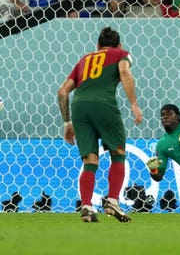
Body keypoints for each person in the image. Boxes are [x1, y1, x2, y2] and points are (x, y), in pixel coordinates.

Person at [57, 27, 143, 223]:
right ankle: (112, 200)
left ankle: (87, 206)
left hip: (79, 108)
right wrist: (134, 104)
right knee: (118, 153)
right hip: (104, 105)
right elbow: (124, 72)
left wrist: (67, 122)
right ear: (119, 45)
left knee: (90, 161)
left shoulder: (84, 60)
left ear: (97, 46)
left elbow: (62, 92)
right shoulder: (122, 54)